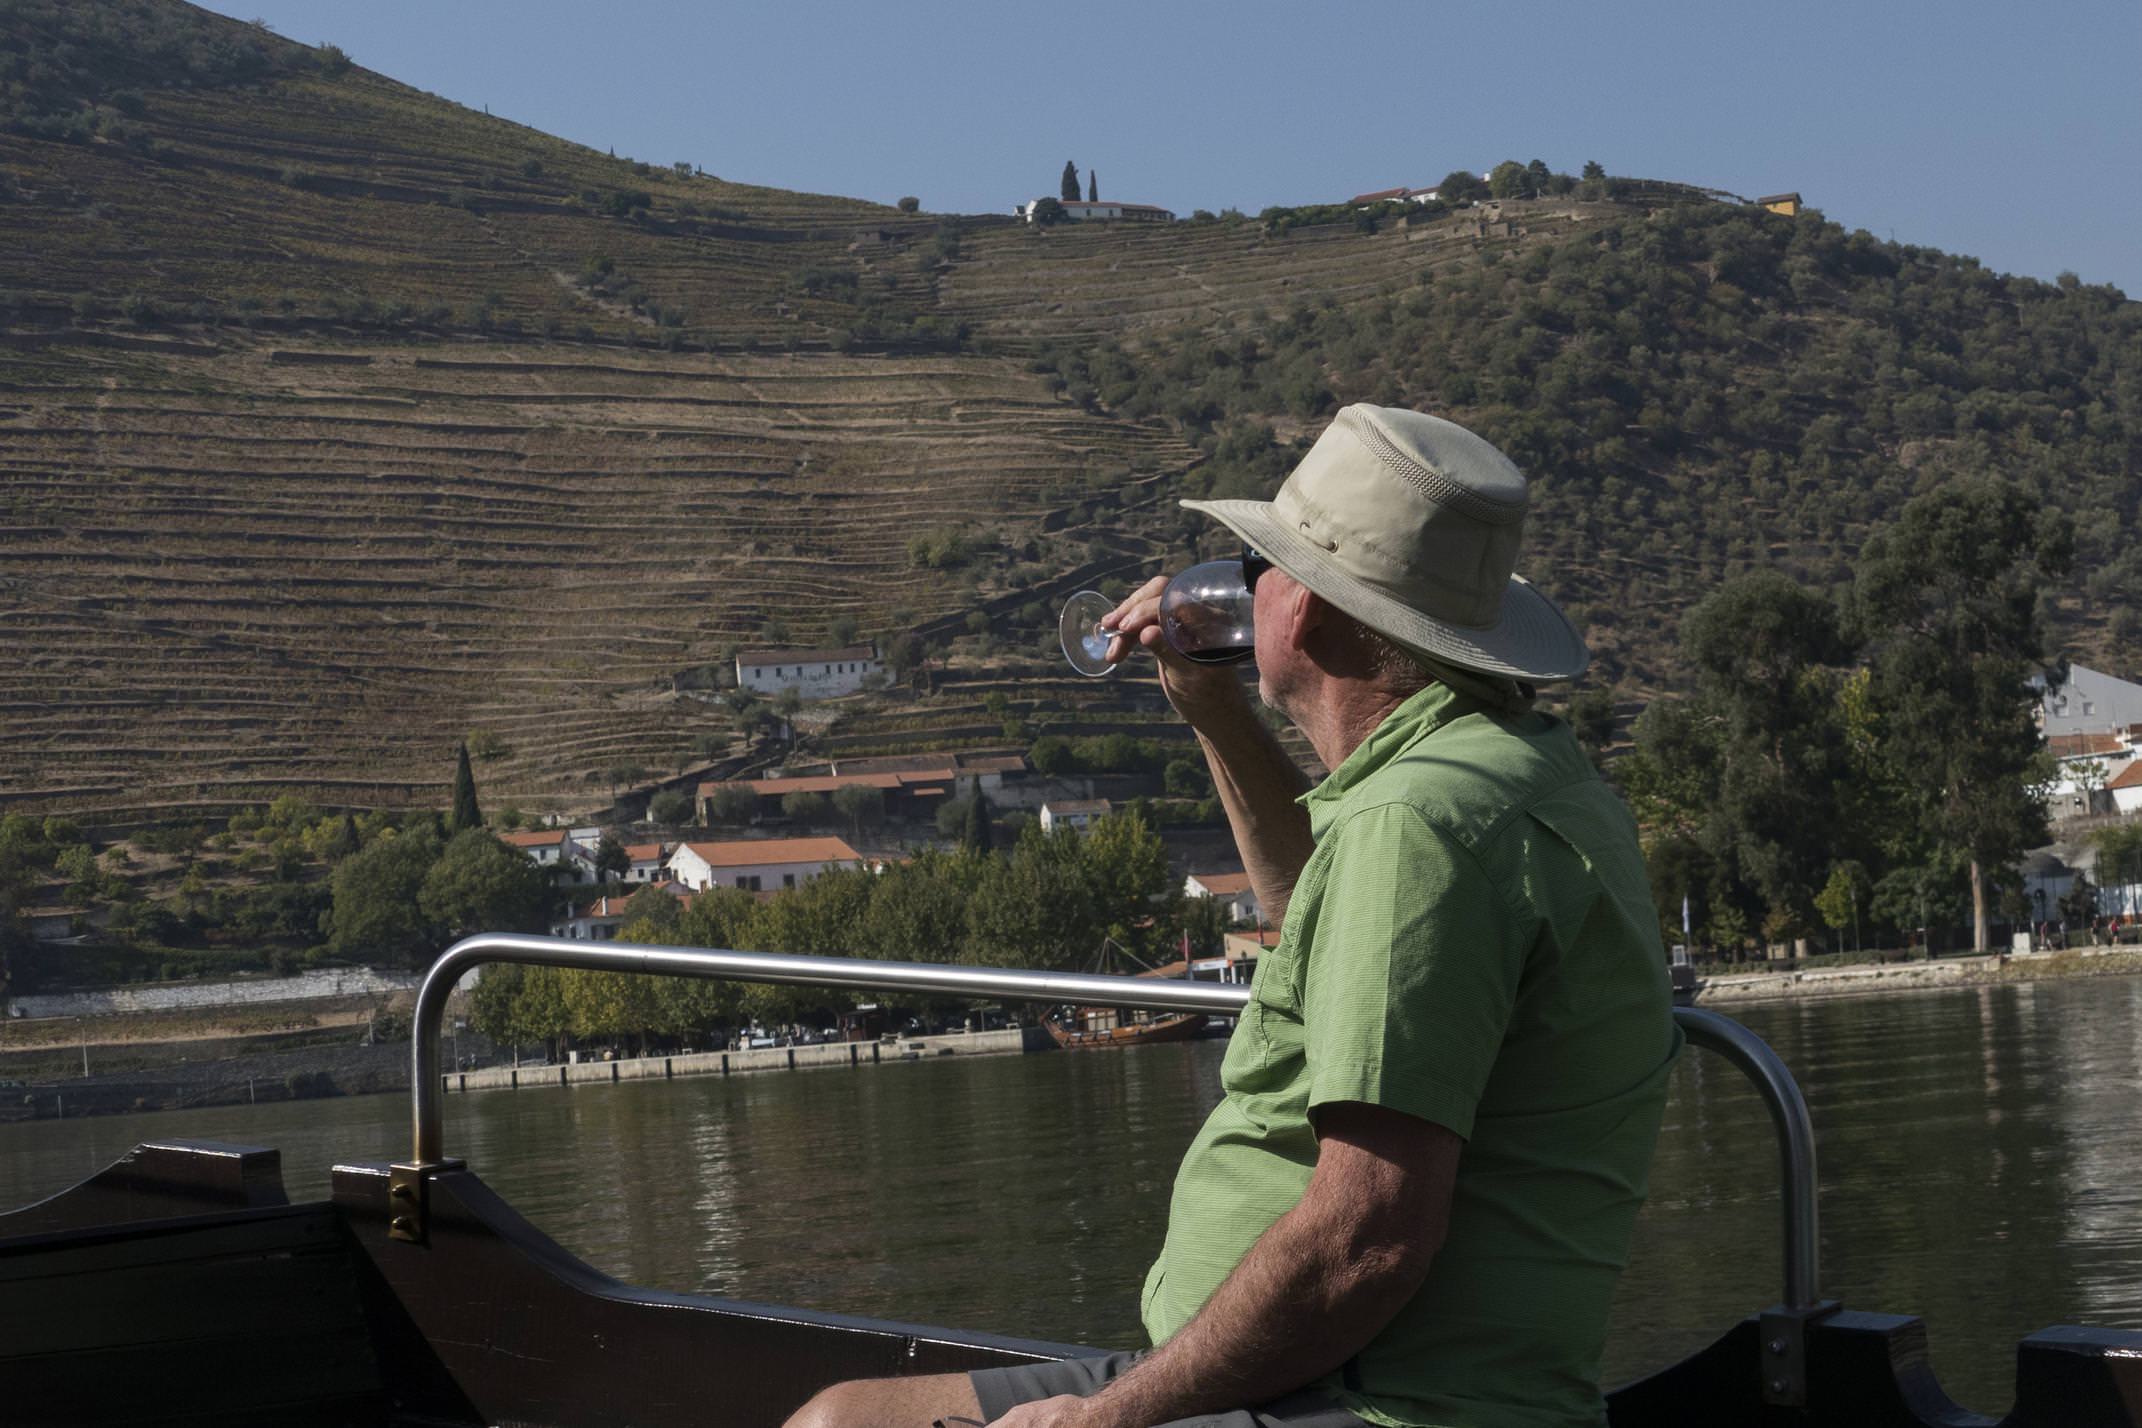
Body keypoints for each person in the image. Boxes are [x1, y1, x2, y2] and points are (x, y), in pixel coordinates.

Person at [785, 405, 1680, 1428]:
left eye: (1261, 564)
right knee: (842, 1420)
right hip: (1297, 1366)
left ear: (1300, 611)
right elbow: (1319, 927)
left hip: (1378, 1399)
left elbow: (1367, 1240)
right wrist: (1212, 707)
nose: (1239, 585)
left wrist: (1109, 1419)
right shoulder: (1500, 772)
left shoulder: (1420, 823)